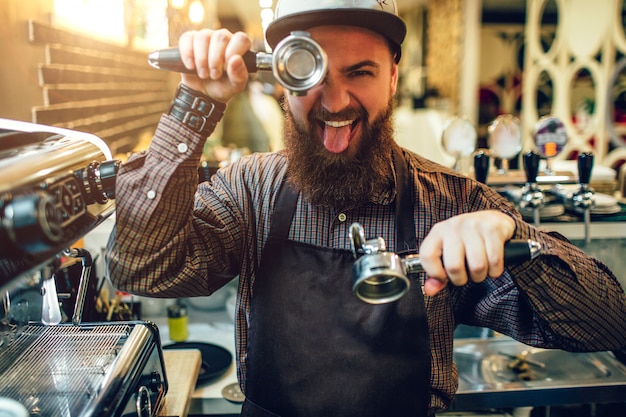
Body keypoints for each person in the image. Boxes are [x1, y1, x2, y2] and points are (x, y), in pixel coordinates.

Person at [106, 1, 626, 415]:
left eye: (361, 72)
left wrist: (512, 234)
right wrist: (196, 102)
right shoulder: (250, 190)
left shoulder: (451, 200)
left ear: (394, 78)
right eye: (311, 74)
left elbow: (609, 325)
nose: (336, 102)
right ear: (282, 80)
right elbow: (142, 267)